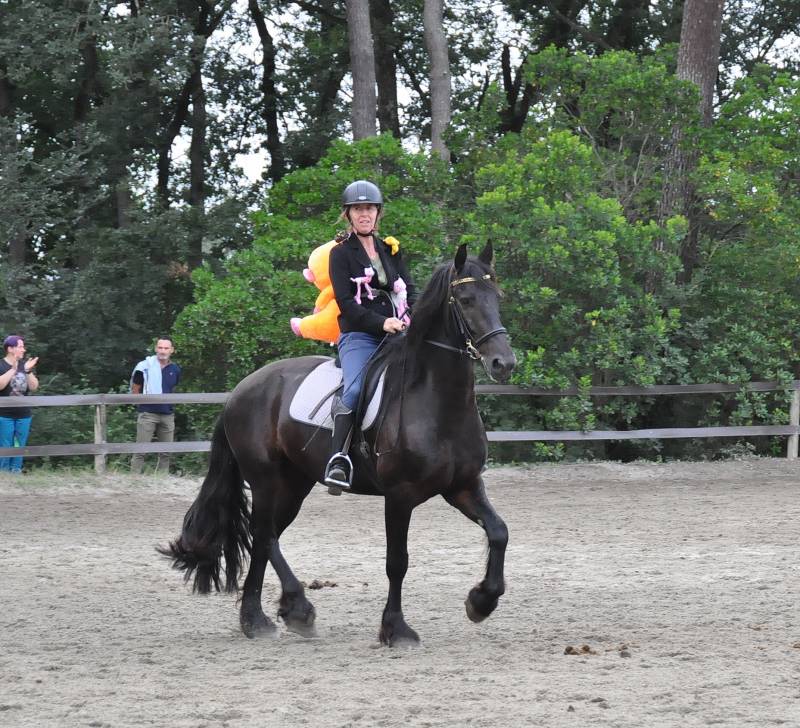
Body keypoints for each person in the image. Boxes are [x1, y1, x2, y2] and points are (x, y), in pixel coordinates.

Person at [323, 180, 416, 493]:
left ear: (378, 213)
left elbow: (410, 288)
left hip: (398, 335)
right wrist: (382, 323)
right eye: (358, 209)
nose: (365, 214)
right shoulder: (340, 254)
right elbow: (346, 304)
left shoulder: (391, 250)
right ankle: (338, 459)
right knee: (354, 390)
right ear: (348, 215)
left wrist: (410, 318)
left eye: (370, 208)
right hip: (360, 336)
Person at [130, 337, 181, 474]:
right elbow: (135, 387)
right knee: (141, 449)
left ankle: (161, 478)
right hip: (148, 413)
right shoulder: (144, 366)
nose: (162, 351)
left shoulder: (175, 369)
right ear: (155, 349)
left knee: (166, 451)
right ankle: (134, 477)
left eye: (166, 348)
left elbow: (173, 388)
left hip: (167, 414)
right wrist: (140, 405)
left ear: (172, 350)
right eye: (160, 347)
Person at [0, 335, 39, 473]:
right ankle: (3, 473)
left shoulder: (25, 366)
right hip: (4, 415)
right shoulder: (1, 365)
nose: (23, 349)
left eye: (23, 346)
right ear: (10, 349)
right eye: (20, 346)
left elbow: (34, 386)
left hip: (23, 414)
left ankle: (15, 471)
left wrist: (27, 370)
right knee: (6, 444)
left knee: (19, 445)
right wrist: (14, 369)